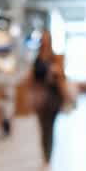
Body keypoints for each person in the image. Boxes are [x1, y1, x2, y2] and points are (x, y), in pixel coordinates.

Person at [32, 31, 63, 163]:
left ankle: (48, 154)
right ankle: (45, 152)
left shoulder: (55, 58)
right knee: (43, 127)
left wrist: (55, 75)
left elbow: (61, 77)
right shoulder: (37, 59)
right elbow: (34, 77)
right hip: (40, 97)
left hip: (53, 97)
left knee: (50, 126)